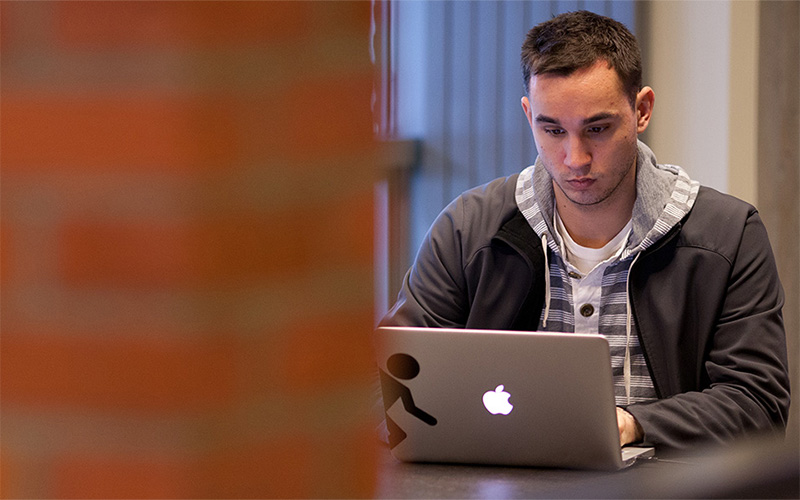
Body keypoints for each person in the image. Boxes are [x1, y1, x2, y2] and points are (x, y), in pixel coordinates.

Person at [380, 10, 790, 451]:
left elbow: (757, 405)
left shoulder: (727, 235)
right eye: (552, 129)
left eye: (597, 128)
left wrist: (632, 424)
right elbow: (386, 383)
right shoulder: (468, 229)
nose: (575, 158)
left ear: (642, 110)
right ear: (528, 113)